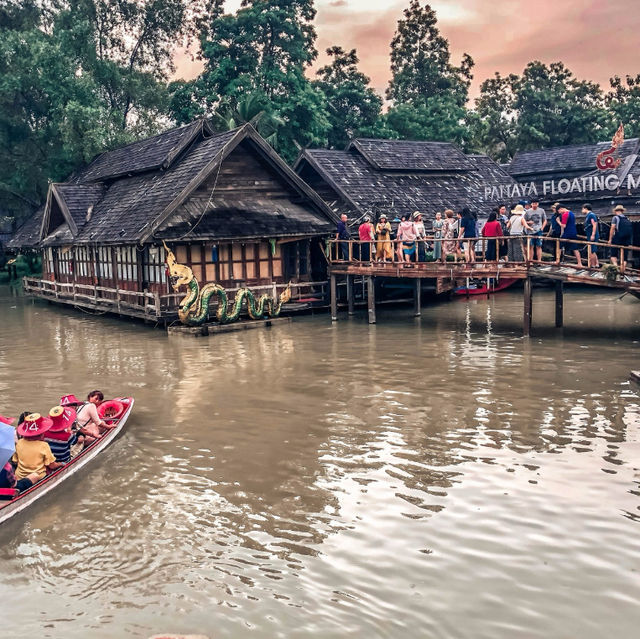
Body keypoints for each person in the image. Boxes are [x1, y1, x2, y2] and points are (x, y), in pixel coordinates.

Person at [12, 413, 63, 492]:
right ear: (41, 433)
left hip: (19, 476)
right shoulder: (44, 445)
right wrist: (61, 464)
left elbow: (15, 461)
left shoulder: (19, 442)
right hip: (37, 477)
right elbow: (52, 466)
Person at [609, 204, 633, 268]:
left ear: (616, 211)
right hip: (626, 240)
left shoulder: (615, 218)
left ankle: (616, 267)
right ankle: (622, 270)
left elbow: (612, 228)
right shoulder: (627, 218)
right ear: (622, 211)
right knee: (624, 257)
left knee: (613, 255)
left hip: (617, 238)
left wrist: (610, 239)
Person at [582, 203, 600, 268]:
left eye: (583, 209)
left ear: (586, 208)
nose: (582, 210)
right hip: (589, 234)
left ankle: (593, 265)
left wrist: (593, 234)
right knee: (593, 250)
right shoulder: (588, 216)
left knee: (592, 250)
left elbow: (594, 224)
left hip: (592, 235)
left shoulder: (591, 215)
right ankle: (596, 264)